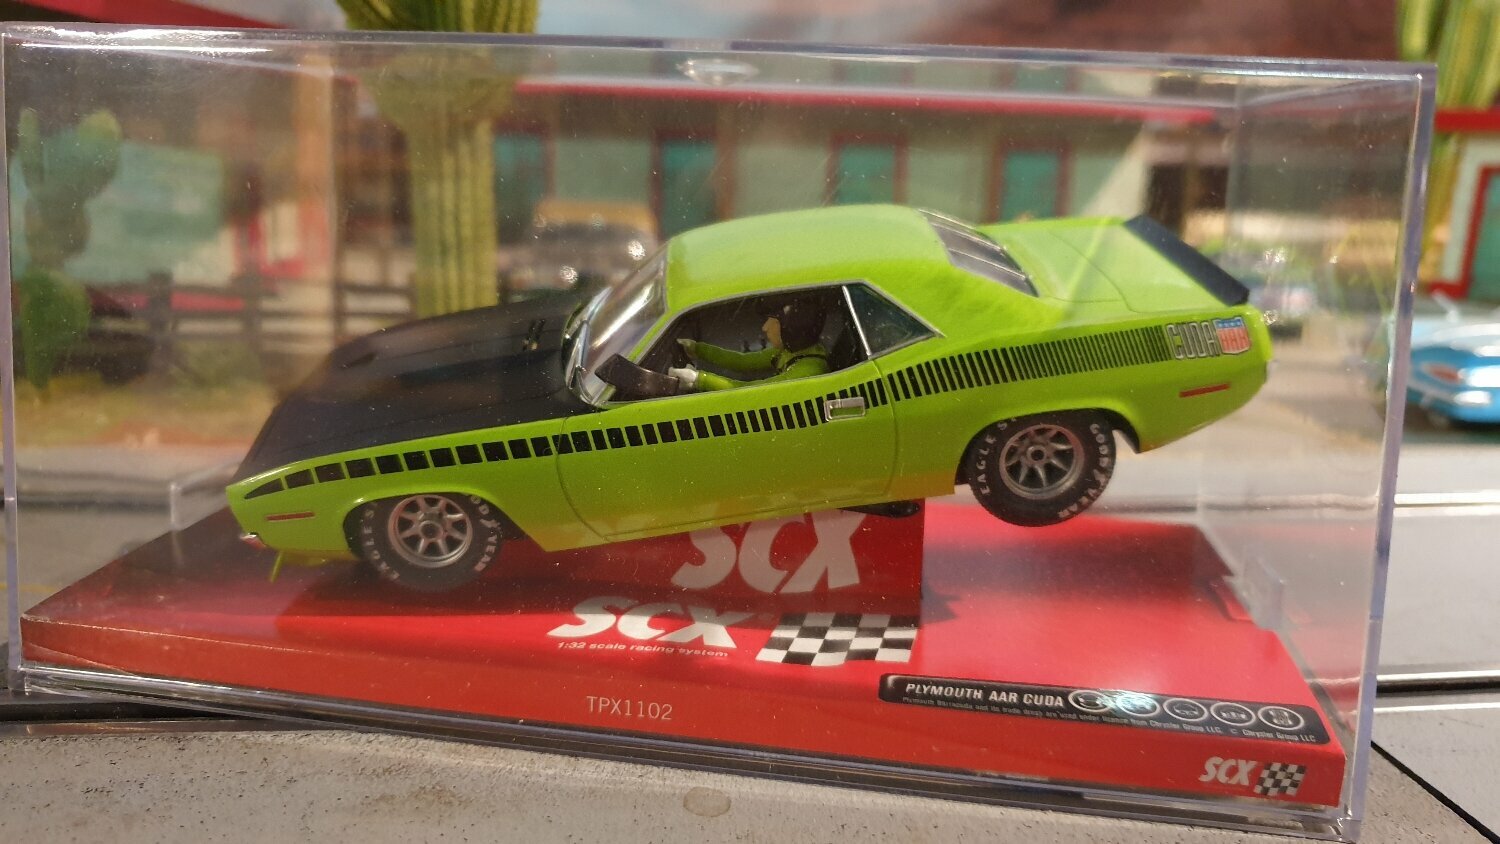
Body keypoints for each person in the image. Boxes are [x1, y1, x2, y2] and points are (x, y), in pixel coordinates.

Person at [668, 293, 830, 392]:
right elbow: (742, 361)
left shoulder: (807, 371)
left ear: (791, 328)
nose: (765, 327)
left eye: (773, 322)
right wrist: (697, 349)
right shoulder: (794, 350)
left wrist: (698, 380)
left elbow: (752, 392)